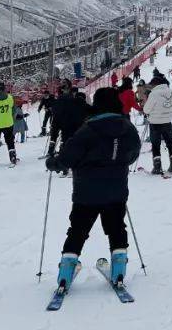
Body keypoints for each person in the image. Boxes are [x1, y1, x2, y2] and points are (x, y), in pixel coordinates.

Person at [45, 87, 141, 293]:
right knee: (117, 228)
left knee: (78, 230)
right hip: (116, 190)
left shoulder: (87, 129)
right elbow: (133, 154)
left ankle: (65, 273)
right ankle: (119, 269)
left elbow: (67, 158)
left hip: (86, 192)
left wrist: (53, 163)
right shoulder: (127, 127)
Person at [143, 72, 172, 174]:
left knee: (155, 144)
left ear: (155, 84)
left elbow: (146, 109)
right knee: (170, 142)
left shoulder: (154, 94)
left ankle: (157, 167)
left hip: (155, 122)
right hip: (167, 121)